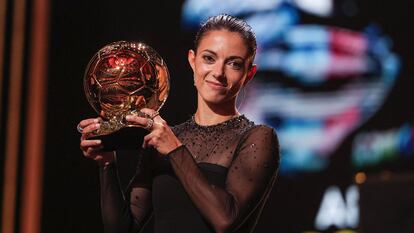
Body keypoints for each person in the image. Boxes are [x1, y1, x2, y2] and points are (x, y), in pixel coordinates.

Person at [78, 14, 280, 233]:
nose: (218, 73)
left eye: (234, 63)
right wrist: (107, 165)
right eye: (209, 58)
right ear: (192, 61)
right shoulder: (163, 139)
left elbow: (226, 220)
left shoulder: (258, 138)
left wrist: (174, 149)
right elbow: (122, 229)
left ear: (249, 74)